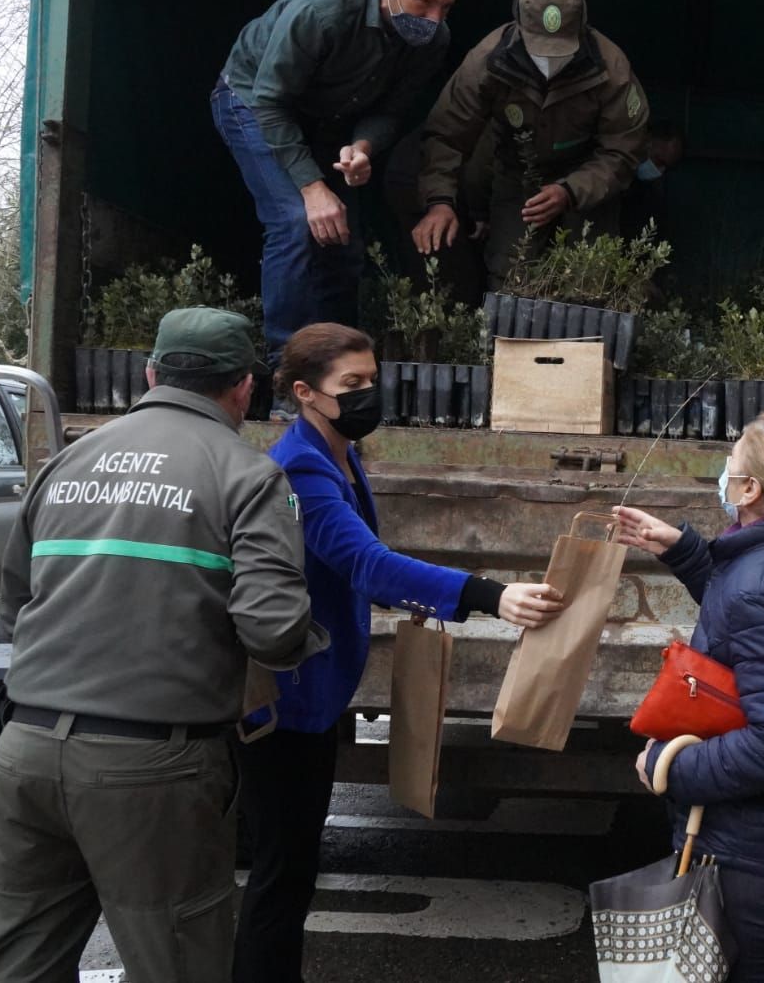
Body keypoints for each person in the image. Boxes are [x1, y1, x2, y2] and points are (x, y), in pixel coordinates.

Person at [0, 308, 329, 982]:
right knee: (179, 962)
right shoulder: (248, 477)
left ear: (149, 373)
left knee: (17, 966)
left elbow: (15, 610)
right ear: (244, 388)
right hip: (153, 771)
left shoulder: (68, 461)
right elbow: (273, 630)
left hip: (25, 750)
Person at [235, 322, 563, 981]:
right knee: (282, 872)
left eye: (371, 381)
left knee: (294, 867)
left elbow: (335, 566)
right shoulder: (300, 466)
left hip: (315, 694)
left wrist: (410, 598)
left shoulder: (338, 451)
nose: (367, 396)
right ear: (305, 393)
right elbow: (363, 562)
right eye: (350, 385)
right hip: (285, 704)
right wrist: (487, 595)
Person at [612, 411, 764, 983]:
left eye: (732, 462)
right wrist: (683, 551)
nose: (723, 470)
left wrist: (668, 767)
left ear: (749, 488)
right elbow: (751, 625)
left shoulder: (763, 586)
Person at [214, 0, 458, 368]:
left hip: (328, 122)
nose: (435, 19)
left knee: (343, 243)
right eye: (424, 1)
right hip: (253, 102)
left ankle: (340, 369)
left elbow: (392, 112)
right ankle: (289, 372)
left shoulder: (432, 40)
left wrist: (362, 147)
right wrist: (311, 187)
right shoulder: (320, 9)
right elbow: (271, 100)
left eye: (445, 6)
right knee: (296, 222)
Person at [412, 0, 650, 280]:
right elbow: (447, 133)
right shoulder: (487, 62)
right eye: (541, 49)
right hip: (517, 175)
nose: (550, 62)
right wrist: (439, 200)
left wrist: (571, 190)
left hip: (589, 179)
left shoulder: (611, 68)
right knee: (510, 272)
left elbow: (624, 149)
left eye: (560, 50)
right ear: (519, 26)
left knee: (588, 277)